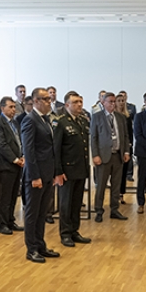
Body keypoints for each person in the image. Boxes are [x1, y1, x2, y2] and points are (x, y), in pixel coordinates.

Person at [21, 87, 59, 263]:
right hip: (35, 175)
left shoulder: (45, 119)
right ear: (36, 101)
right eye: (45, 99)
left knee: (42, 212)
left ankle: (40, 245)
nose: (49, 102)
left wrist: (52, 173)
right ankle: (31, 249)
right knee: (32, 213)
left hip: (47, 173)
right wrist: (35, 176)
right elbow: (29, 151)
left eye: (49, 99)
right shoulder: (30, 120)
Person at [53, 91, 91, 248]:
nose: (79, 105)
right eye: (75, 102)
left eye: (80, 102)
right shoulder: (60, 122)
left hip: (80, 169)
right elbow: (56, 149)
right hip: (66, 171)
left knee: (76, 203)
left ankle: (75, 230)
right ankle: (65, 233)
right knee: (65, 204)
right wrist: (58, 171)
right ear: (67, 105)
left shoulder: (82, 121)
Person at [90, 92, 130, 223]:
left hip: (118, 155)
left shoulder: (120, 117)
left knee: (116, 185)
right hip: (103, 156)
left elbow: (125, 136)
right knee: (101, 185)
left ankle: (114, 209)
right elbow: (93, 137)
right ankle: (99, 210)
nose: (113, 104)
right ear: (103, 103)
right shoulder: (97, 117)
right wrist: (95, 155)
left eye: (114, 101)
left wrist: (126, 152)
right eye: (110, 101)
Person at [0, 96, 25, 235]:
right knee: (5, 197)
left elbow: (19, 141)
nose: (13, 109)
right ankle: (3, 224)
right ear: (2, 108)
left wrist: (22, 156)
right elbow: (2, 145)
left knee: (13, 196)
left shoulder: (15, 122)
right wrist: (15, 159)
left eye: (14, 107)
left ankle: (11, 220)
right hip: (7, 165)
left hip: (18, 164)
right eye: (10, 107)